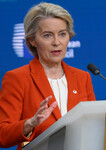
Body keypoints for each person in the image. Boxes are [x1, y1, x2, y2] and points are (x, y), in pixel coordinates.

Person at [0, 2, 96, 149]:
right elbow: (2, 135)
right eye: (47, 35)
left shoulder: (82, 77)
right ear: (32, 40)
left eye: (62, 34)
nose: (56, 42)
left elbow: (93, 125)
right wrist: (30, 123)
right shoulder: (17, 78)